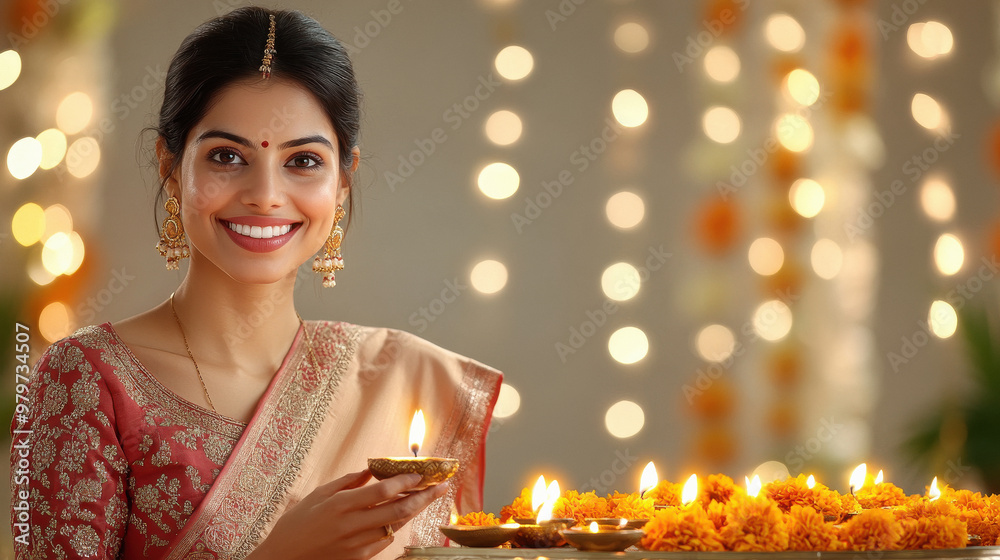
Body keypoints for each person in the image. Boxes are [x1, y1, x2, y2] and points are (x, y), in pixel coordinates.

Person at [10, 7, 502, 560]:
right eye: (227, 156)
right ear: (170, 167)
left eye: (304, 161)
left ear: (343, 182)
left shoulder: (407, 383)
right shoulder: (86, 379)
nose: (265, 194)